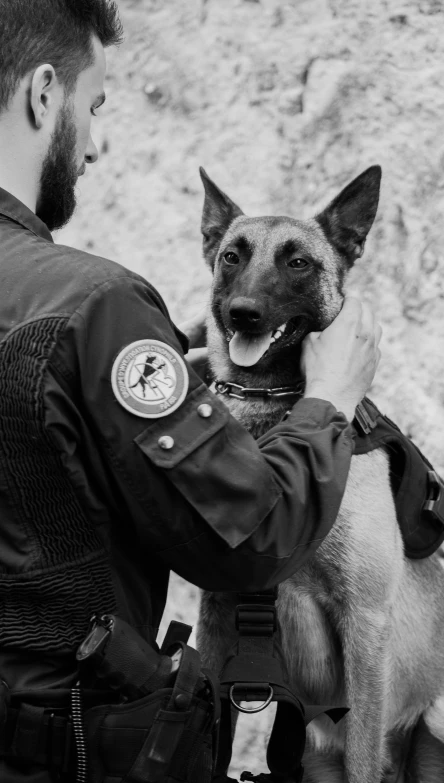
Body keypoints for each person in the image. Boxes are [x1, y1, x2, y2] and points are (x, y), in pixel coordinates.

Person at [0, 1, 382, 780]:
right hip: (62, 744)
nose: (97, 144)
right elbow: (246, 539)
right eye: (95, 107)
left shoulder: (93, 320)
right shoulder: (97, 305)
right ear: (45, 95)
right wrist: (332, 401)